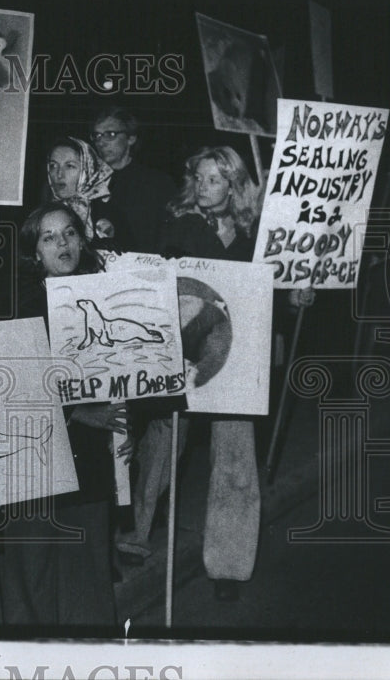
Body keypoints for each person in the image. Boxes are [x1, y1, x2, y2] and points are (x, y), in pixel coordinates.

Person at [116, 145, 296, 601]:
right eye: (197, 178)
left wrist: (298, 294)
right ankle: (135, 536)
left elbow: (279, 286)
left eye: (214, 179)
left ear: (235, 184)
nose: (202, 187)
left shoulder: (258, 233)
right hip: (183, 353)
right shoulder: (179, 221)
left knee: (234, 457)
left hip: (237, 357)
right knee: (162, 444)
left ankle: (229, 566)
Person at [0, 202, 128, 627]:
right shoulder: (19, 304)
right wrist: (79, 414)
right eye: (48, 237)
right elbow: (10, 387)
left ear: (82, 239)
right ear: (35, 252)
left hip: (86, 459)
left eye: (69, 233)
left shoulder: (104, 297)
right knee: (32, 574)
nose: (62, 244)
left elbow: (127, 370)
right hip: (31, 463)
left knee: (86, 571)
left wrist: (124, 423)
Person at [88, 106, 177, 254]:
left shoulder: (158, 183)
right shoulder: (88, 183)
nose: (101, 142)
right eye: (96, 136)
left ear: (131, 138)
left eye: (110, 134)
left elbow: (173, 235)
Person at [44, 135, 127, 245]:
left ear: (88, 170)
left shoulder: (108, 212)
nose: (59, 174)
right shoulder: (43, 212)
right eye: (53, 165)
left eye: (69, 166)